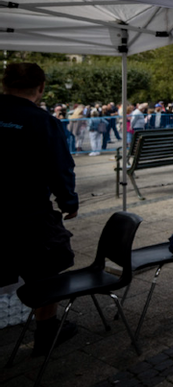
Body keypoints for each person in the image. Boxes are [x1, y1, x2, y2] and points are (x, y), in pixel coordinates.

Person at [0, 63, 80, 354]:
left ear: (4, 84)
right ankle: (47, 331)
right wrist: (68, 201)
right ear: (41, 88)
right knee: (48, 269)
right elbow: (60, 167)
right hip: (29, 215)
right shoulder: (42, 121)